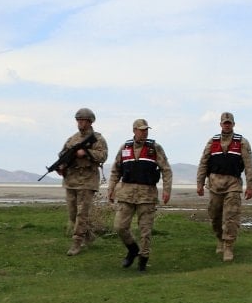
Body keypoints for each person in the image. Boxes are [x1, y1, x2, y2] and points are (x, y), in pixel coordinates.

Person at [107, 119, 173, 272]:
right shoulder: (125, 148)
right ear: (134, 130)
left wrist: (167, 189)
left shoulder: (155, 148)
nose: (145, 132)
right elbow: (116, 170)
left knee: (145, 231)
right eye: (141, 130)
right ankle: (132, 249)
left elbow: (166, 170)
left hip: (147, 195)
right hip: (126, 194)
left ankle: (143, 259)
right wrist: (111, 189)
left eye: (146, 130)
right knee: (120, 227)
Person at [196, 112, 252, 262]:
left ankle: (228, 246)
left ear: (233, 124)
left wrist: (250, 186)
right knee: (215, 215)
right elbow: (203, 163)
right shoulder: (212, 142)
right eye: (225, 123)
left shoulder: (241, 142)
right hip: (215, 184)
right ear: (221, 124)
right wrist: (199, 183)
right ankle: (219, 239)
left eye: (229, 123)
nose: (227, 125)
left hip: (233, 184)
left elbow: (249, 165)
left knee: (231, 216)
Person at [58, 107, 109, 256]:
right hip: (71, 180)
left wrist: (86, 152)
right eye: (78, 120)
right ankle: (88, 235)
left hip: (87, 181)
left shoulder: (98, 139)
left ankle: (76, 243)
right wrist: (61, 166)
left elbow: (103, 156)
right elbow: (63, 154)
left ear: (90, 121)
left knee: (82, 214)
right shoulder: (72, 139)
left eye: (83, 120)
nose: (80, 123)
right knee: (73, 214)